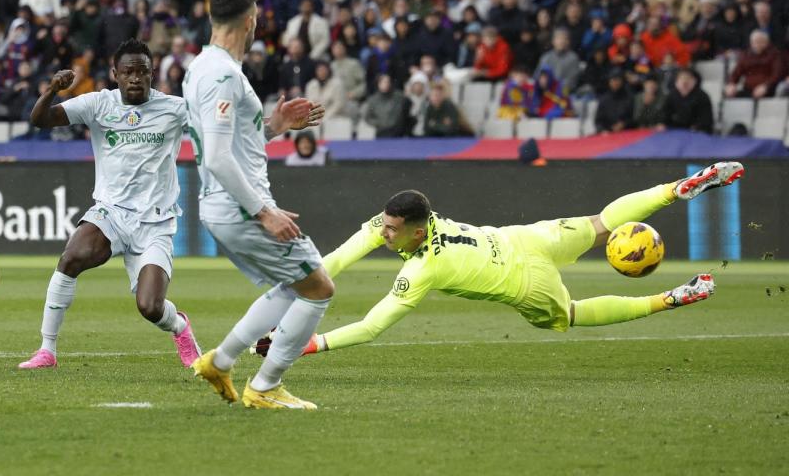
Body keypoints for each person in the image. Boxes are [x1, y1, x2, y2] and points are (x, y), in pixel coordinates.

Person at [255, 163, 744, 358]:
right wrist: (311, 276)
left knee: (570, 315)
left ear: (417, 228)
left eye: (390, 229)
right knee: (600, 225)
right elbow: (341, 257)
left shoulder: (423, 269)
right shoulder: (410, 219)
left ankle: (672, 297)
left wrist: (306, 344)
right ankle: (672, 190)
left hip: (527, 281)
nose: (382, 233)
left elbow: (371, 326)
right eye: (381, 226)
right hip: (528, 239)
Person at [184, 0, 331, 410]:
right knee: (318, 287)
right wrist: (263, 211)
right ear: (250, 21)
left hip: (227, 205)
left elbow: (230, 144)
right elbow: (215, 156)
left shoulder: (202, 67)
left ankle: (222, 360)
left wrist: (271, 127)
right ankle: (265, 387)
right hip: (237, 207)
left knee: (293, 285)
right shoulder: (223, 75)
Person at [17, 39, 201, 370]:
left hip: (155, 223)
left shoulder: (174, 109)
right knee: (71, 257)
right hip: (111, 214)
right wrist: (52, 90)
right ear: (115, 74)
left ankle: (181, 327)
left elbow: (222, 130)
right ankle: (47, 350)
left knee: (149, 307)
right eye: (128, 72)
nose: (135, 79)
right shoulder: (98, 104)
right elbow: (40, 120)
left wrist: (274, 127)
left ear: (152, 74)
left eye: (141, 72)